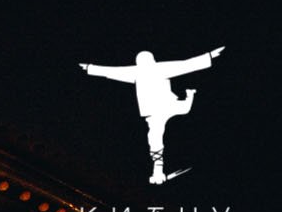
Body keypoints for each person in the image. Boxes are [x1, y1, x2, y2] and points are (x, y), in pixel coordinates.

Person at [80, 47, 224, 184]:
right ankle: (157, 169)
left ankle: (158, 168)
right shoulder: (149, 69)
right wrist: (210, 56)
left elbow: (111, 71)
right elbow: (187, 65)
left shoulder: (139, 71)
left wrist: (90, 68)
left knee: (157, 135)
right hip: (161, 108)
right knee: (158, 133)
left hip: (160, 108)